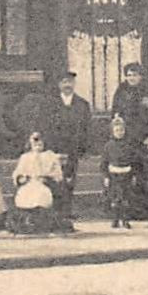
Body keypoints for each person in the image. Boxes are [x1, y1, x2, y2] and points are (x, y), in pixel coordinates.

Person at [36, 71, 91, 222]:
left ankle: (67, 210)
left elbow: (86, 128)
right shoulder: (49, 104)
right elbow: (44, 126)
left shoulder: (82, 104)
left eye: (70, 82)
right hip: (54, 148)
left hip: (73, 148)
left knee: (69, 179)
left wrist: (83, 148)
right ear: (59, 84)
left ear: (74, 84)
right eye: (64, 82)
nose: (67, 85)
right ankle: (54, 210)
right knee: (54, 178)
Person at [9, 132, 70, 234]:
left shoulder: (51, 156)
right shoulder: (25, 157)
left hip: (45, 183)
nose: (37, 145)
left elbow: (58, 175)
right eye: (34, 142)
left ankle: (40, 220)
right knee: (24, 195)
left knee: (41, 195)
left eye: (40, 142)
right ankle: (27, 220)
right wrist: (21, 178)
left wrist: (48, 178)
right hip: (29, 183)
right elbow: (17, 173)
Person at [99, 115, 138, 229]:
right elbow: (104, 163)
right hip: (114, 175)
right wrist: (105, 177)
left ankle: (125, 220)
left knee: (126, 199)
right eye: (117, 130)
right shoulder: (108, 146)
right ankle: (115, 219)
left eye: (121, 130)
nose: (119, 132)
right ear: (112, 131)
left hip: (126, 175)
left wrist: (134, 175)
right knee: (115, 199)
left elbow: (134, 161)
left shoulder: (129, 145)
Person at [108, 63, 148, 145]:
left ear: (140, 76)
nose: (131, 78)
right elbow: (115, 110)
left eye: (134, 75)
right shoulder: (121, 91)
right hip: (126, 133)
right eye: (129, 75)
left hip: (144, 133)